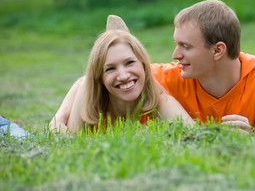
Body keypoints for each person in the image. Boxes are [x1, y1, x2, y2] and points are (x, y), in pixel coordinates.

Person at [52, 0, 255, 134]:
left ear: (218, 50)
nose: (175, 54)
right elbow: (103, 74)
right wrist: (61, 115)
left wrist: (251, 138)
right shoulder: (166, 78)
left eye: (185, 46)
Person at [49, 28, 194, 133]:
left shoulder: (159, 101)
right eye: (110, 69)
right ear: (100, 77)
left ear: (144, 65)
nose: (123, 76)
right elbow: (70, 143)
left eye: (129, 63)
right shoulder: (88, 98)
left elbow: (194, 135)